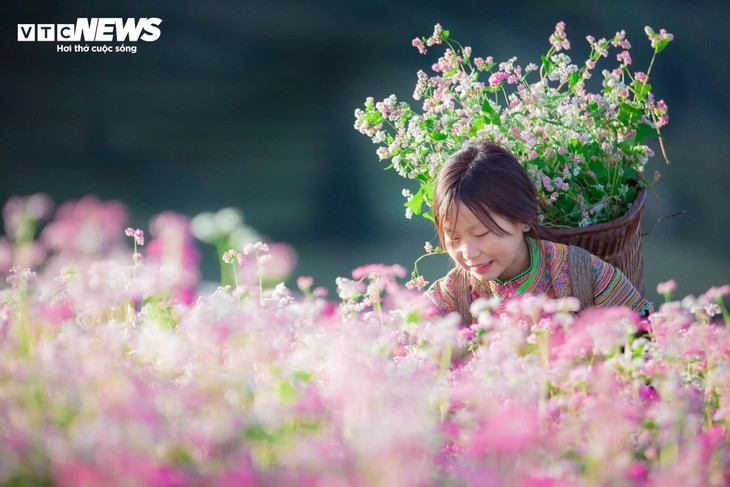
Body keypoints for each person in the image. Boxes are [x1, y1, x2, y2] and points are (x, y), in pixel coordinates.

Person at [426, 140, 652, 324]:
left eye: (481, 233)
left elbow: (648, 342)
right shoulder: (452, 296)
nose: (468, 253)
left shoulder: (584, 275)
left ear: (523, 218)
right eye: (454, 237)